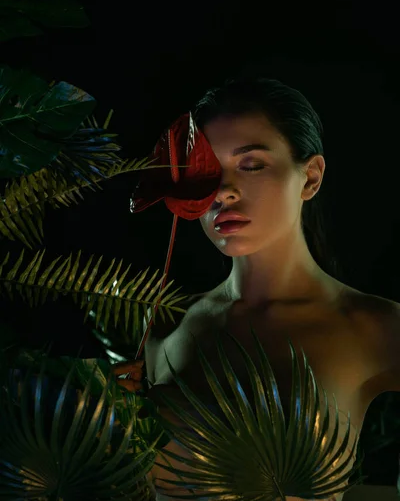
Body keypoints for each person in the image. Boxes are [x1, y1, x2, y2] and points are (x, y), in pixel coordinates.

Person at [114, 77, 367, 501]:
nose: (224, 192)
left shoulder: (372, 327)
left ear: (310, 177)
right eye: (204, 172)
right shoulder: (164, 323)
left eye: (251, 165)